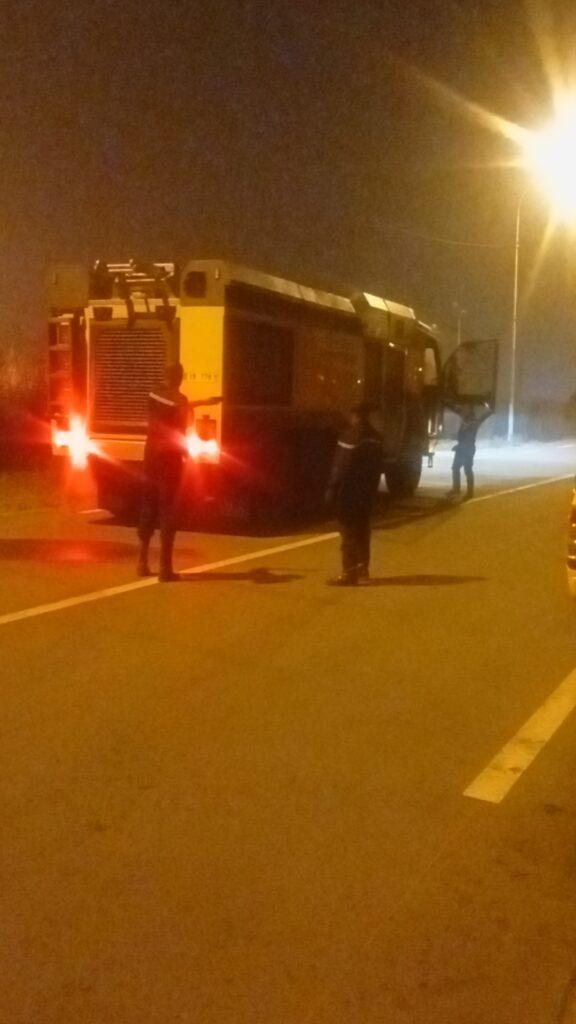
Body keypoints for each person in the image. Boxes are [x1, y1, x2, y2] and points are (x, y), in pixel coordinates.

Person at [137, 362, 220, 581]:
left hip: (150, 455)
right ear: (178, 377)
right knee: (167, 510)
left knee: (148, 505)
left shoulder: (153, 393)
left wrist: (204, 402)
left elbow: (172, 404)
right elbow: (183, 415)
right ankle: (166, 569)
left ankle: (142, 562)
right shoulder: (179, 401)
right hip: (170, 460)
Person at [325, 402, 384, 586]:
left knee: (348, 531)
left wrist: (331, 488)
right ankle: (362, 568)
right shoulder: (377, 438)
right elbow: (379, 466)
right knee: (362, 529)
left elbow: (340, 466)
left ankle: (348, 573)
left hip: (348, 491)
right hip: (367, 491)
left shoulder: (350, 436)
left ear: (355, 416)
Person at [446, 401, 492, 500]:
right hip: (464, 448)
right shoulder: (468, 422)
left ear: (469, 417)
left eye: (466, 415)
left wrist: (489, 409)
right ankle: (460, 489)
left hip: (466, 448)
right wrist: (448, 404)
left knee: (465, 469)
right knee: (458, 468)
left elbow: (483, 417)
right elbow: (459, 411)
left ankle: (465, 491)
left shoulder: (472, 424)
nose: (463, 416)